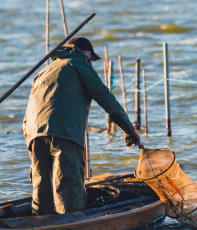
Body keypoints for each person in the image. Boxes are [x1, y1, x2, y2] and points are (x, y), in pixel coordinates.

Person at [22, 37, 140, 215]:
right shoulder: (78, 62)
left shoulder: (44, 71)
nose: (91, 62)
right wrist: (129, 129)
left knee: (41, 188)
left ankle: (40, 223)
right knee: (68, 187)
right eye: (91, 58)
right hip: (64, 133)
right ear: (86, 53)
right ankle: (73, 222)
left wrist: (31, 150)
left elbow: (28, 114)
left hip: (33, 134)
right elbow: (105, 97)